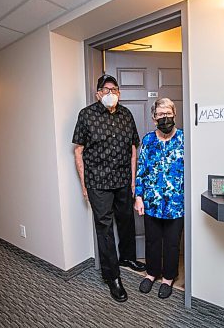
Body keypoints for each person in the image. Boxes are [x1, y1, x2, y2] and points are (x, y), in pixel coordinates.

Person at [72, 74, 146, 302]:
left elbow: (134, 148)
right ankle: (112, 276)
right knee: (104, 229)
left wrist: (133, 180)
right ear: (98, 93)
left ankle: (128, 257)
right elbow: (78, 152)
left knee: (126, 220)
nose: (111, 93)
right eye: (106, 89)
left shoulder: (126, 115)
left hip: (123, 180)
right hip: (99, 183)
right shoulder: (86, 115)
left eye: (115, 89)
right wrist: (85, 186)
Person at [134, 98, 184, 299]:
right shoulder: (147, 141)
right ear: (154, 118)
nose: (165, 118)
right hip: (151, 201)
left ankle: (169, 277)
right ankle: (152, 272)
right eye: (161, 115)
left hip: (176, 203)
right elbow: (141, 170)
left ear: (174, 114)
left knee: (172, 242)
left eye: (168, 113)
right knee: (153, 240)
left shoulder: (183, 139)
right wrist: (138, 197)